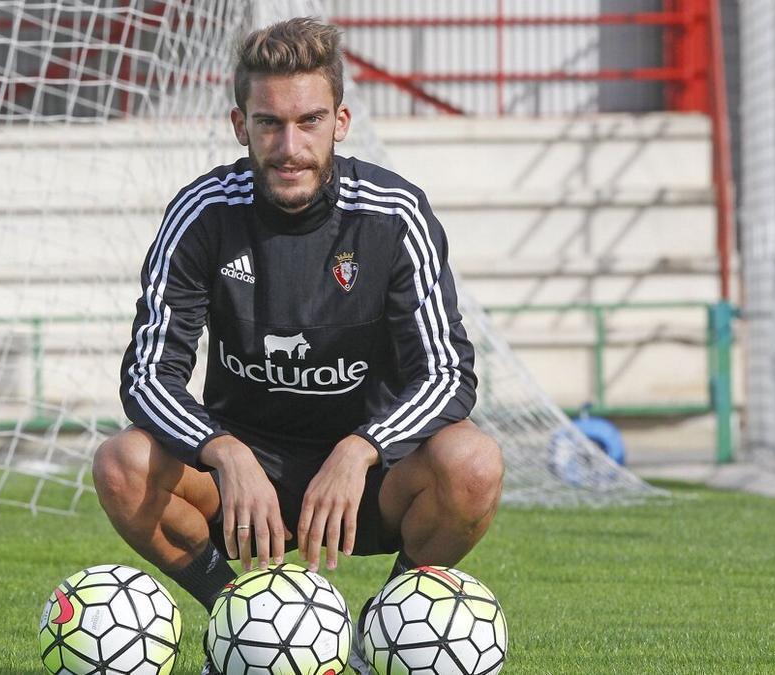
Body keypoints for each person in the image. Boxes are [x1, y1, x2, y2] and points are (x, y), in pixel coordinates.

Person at [91, 18, 503, 674]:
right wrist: (222, 451)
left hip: (368, 483)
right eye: (269, 124)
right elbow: (146, 375)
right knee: (122, 463)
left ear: (340, 121)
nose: (289, 146)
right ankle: (244, 623)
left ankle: (381, 629)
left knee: (473, 464)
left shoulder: (393, 214)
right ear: (239, 125)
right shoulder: (201, 215)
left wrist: (362, 447)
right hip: (242, 482)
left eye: (308, 121)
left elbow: (449, 370)